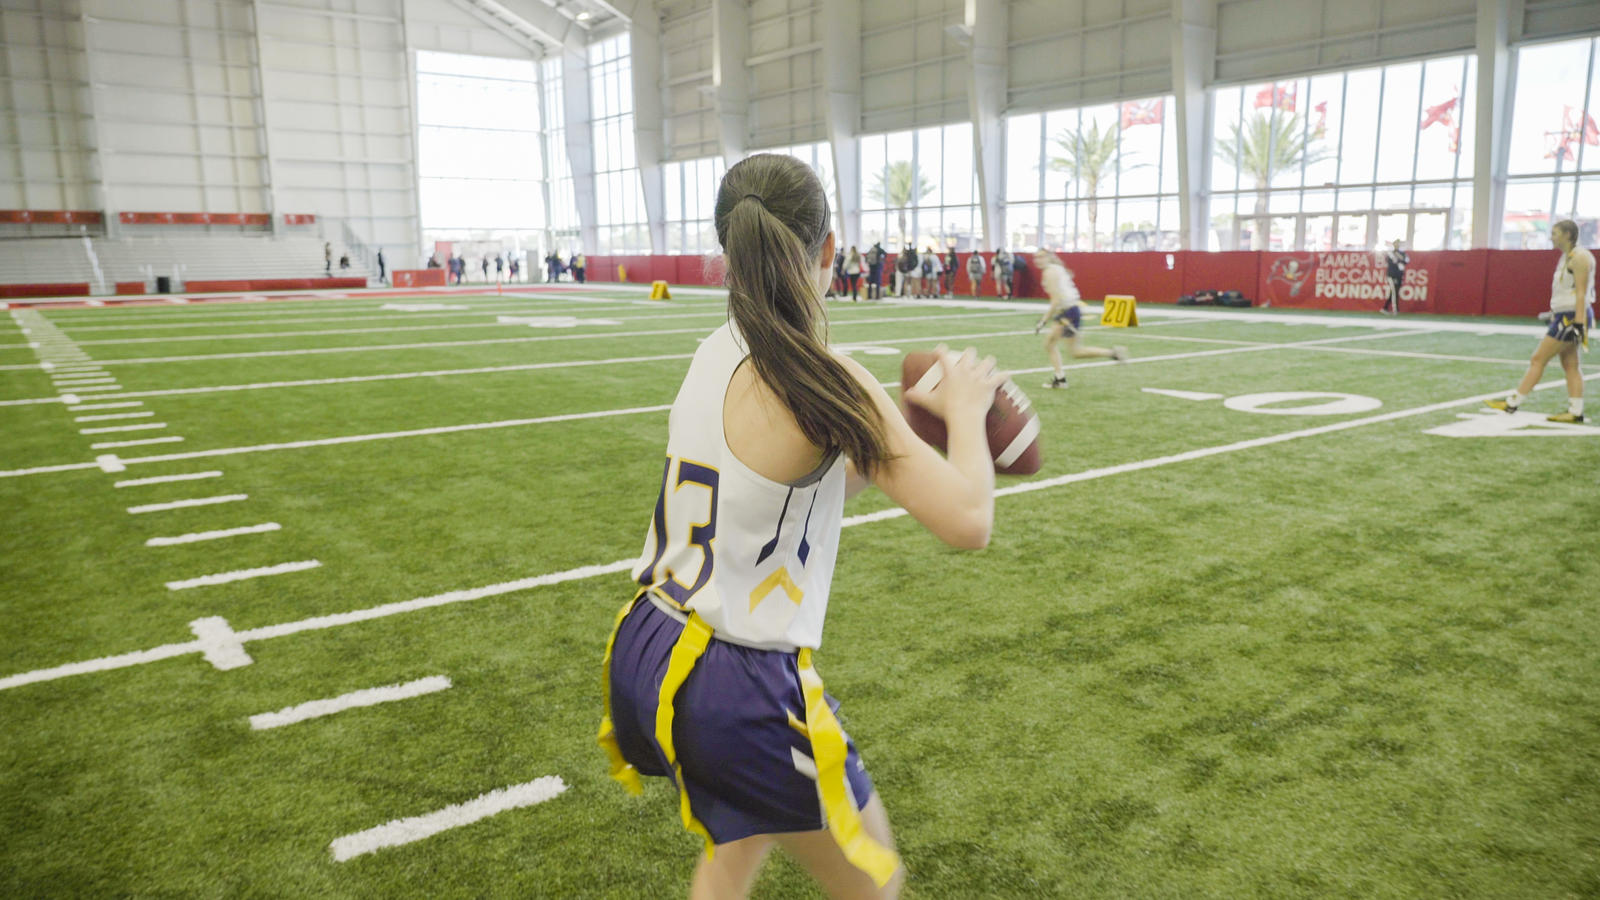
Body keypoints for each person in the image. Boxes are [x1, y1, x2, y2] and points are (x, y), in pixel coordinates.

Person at [599, 153, 1003, 900]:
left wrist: (902, 438)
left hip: (652, 641)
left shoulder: (711, 354)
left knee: (737, 847)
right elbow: (970, 520)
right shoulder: (824, 378)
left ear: (729, 251)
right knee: (875, 883)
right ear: (829, 251)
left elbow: (798, 482)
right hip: (735, 683)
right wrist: (970, 416)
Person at [1486, 219, 1592, 423]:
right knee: (1570, 364)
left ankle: (1512, 403)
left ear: (1567, 235)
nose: (1551, 237)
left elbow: (1581, 293)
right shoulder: (1567, 257)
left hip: (1571, 317)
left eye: (1555, 233)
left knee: (1538, 359)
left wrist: (1579, 323)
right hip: (1566, 315)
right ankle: (1576, 411)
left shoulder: (1579, 257)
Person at [1033, 249, 1127, 389]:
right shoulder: (1055, 269)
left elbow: (1056, 299)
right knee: (1052, 345)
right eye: (1036, 257)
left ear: (1048, 257)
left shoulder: (1050, 272)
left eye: (1041, 257)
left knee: (1074, 351)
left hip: (1068, 313)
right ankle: (1061, 379)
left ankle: (1112, 353)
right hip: (1067, 311)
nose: (1038, 260)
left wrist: (1043, 320)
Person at [1381, 239, 1408, 315]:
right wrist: (1398, 259)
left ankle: (1385, 308)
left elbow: (1406, 261)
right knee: (1394, 292)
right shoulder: (1390, 254)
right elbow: (1393, 261)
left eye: (1398, 244)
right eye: (1396, 244)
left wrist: (1399, 258)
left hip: (1399, 275)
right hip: (1392, 275)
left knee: (1394, 292)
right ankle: (1395, 309)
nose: (1397, 245)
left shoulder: (1402, 253)